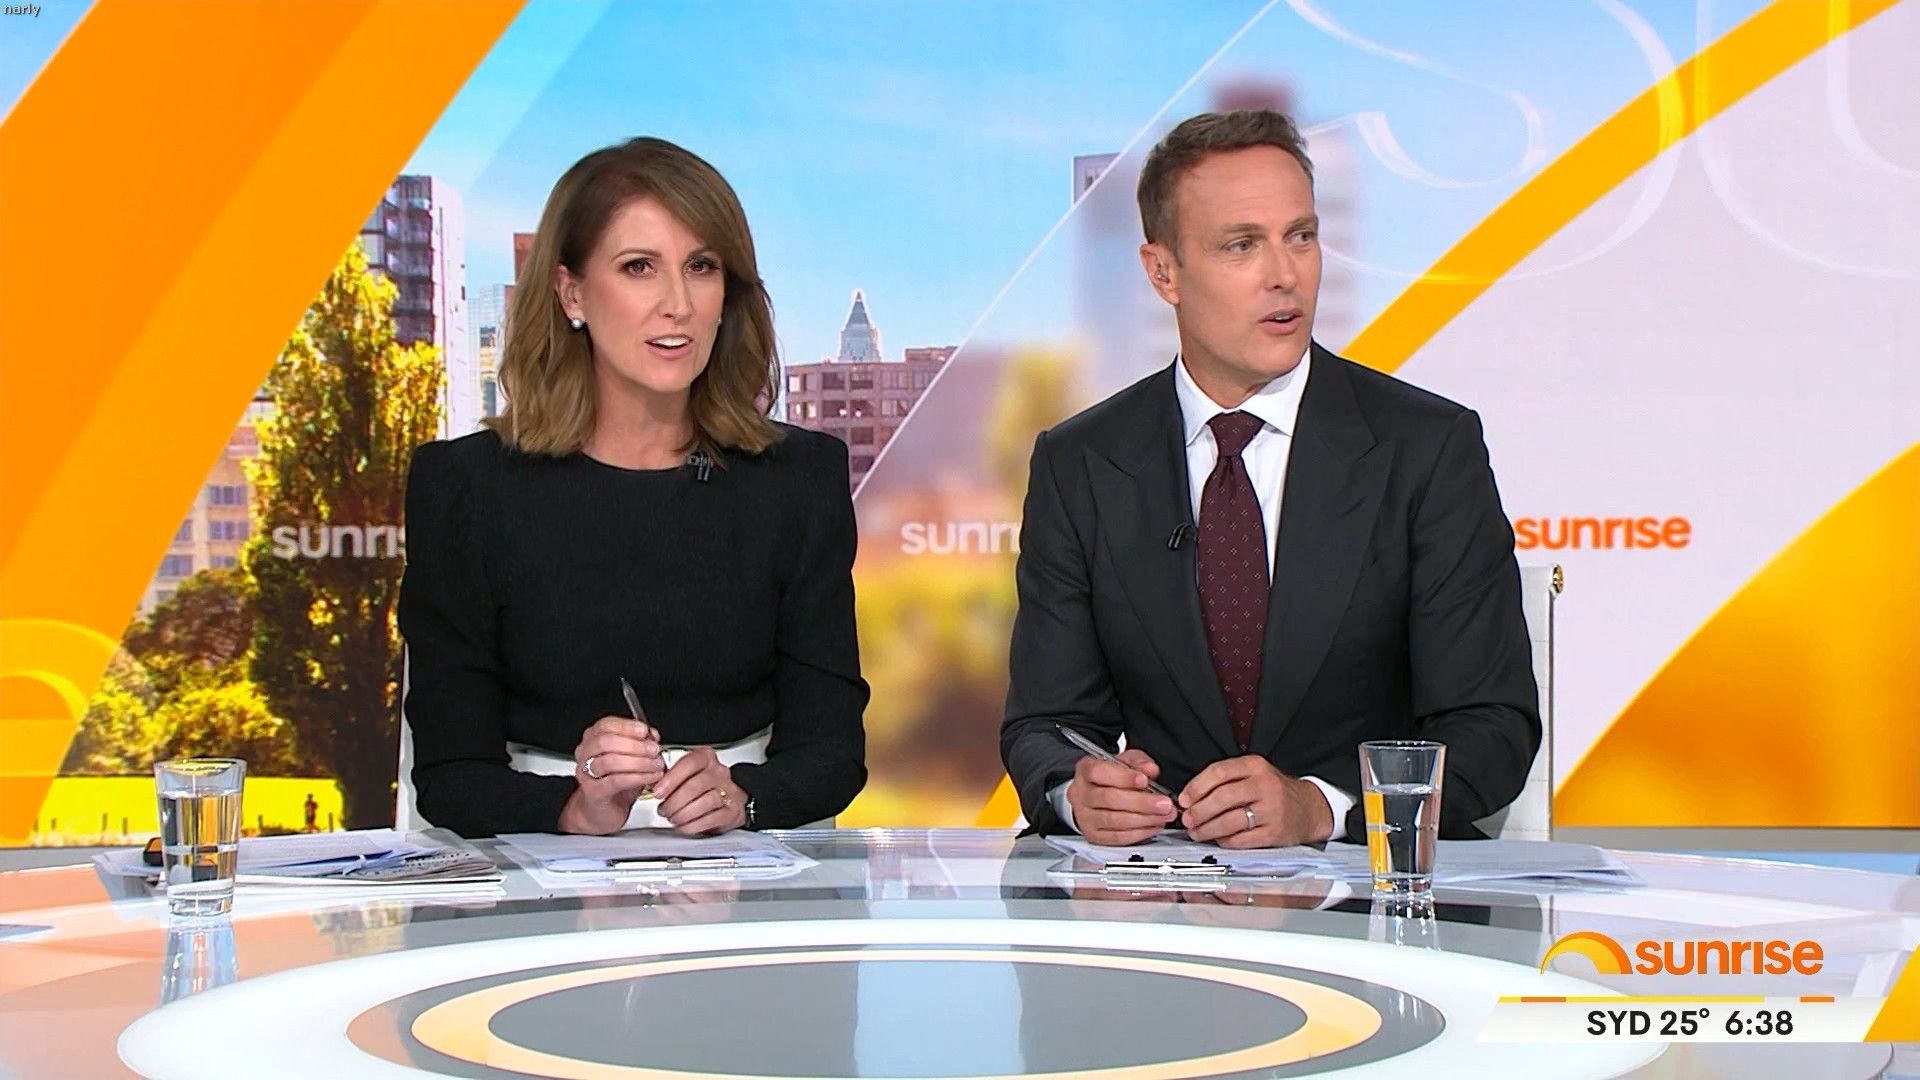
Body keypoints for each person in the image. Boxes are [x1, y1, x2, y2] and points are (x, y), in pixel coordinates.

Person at [1001, 110, 1539, 848]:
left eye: (1301, 236)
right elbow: (1045, 725)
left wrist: (1324, 806)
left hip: (1370, 894)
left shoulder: (1425, 448)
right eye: (1242, 245)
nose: (1285, 275)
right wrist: (1077, 792)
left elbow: (1493, 727)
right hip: (1165, 888)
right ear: (1163, 273)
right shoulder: (1081, 464)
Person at [400, 137, 867, 837]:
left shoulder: (800, 479)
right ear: (572, 293)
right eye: (638, 268)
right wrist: (572, 806)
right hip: (534, 861)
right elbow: (450, 773)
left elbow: (832, 752)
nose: (677, 304)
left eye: (701, 267)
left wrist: (745, 796)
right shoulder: (465, 488)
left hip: (750, 861)